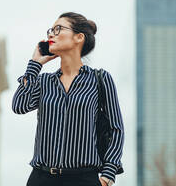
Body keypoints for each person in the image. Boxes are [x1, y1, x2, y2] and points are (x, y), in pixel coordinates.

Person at [12, 12, 125, 186]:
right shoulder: (44, 82)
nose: (51, 34)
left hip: (83, 178)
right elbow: (19, 106)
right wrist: (35, 64)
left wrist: (107, 176)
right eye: (50, 30)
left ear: (79, 37)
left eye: (58, 29)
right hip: (42, 178)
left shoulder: (100, 79)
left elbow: (116, 129)